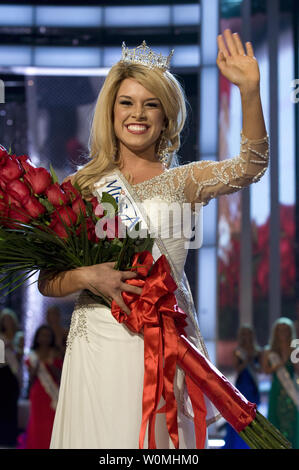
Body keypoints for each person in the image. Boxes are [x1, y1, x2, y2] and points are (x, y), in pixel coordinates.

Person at [38, 31, 269, 449]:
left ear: (166, 115)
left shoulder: (185, 182)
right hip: (95, 346)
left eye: (151, 104)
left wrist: (250, 91)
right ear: (110, 112)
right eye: (126, 102)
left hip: (159, 347)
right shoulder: (82, 186)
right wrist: (90, 275)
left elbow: (251, 166)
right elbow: (48, 280)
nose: (137, 114)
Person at [262, 317, 299, 449]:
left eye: (286, 330)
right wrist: (278, 366)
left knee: (292, 421)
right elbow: (265, 370)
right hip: (277, 390)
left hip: (291, 391)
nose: (283, 332)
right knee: (275, 420)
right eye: (280, 330)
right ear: (275, 332)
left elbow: (297, 369)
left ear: (290, 331)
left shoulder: (295, 346)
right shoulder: (269, 350)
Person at [223, 325, 262, 449]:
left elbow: (260, 369)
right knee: (239, 416)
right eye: (244, 334)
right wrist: (246, 361)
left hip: (253, 387)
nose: (246, 336)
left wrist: (253, 360)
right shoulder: (238, 351)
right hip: (241, 387)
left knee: (253, 418)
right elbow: (237, 369)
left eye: (248, 333)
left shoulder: (257, 351)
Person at [24, 325, 63, 449]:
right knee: (37, 424)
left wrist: (50, 363)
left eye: (47, 335)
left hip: (53, 395)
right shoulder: (32, 355)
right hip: (38, 393)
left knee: (51, 423)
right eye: (42, 335)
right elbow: (31, 378)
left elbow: (60, 377)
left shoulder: (56, 354)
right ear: (37, 337)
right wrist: (38, 363)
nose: (45, 338)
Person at [0, 308, 22, 447]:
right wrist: (5, 347)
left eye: (9, 319)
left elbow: (21, 356)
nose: (7, 322)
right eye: (4, 319)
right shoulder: (0, 337)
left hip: (14, 376)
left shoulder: (19, 336)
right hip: (3, 374)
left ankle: (10, 440)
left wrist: (12, 347)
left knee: (12, 408)